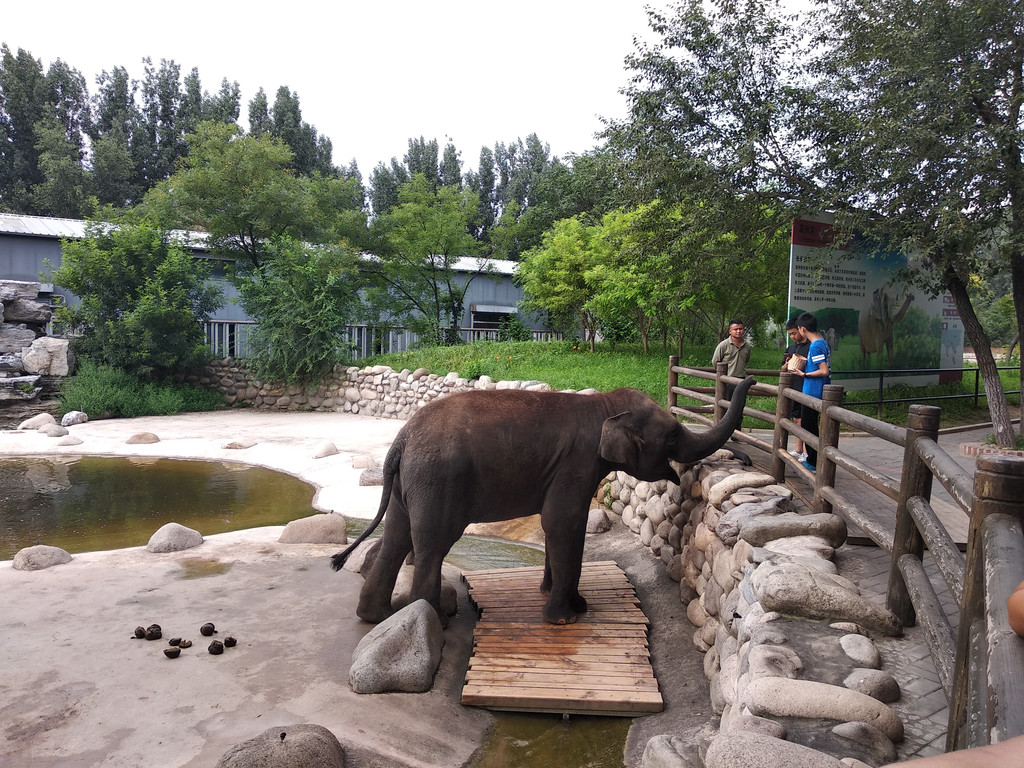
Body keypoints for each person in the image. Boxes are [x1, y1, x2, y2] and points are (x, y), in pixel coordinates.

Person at [791, 312, 830, 472]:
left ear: (802, 329)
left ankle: (813, 461)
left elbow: (824, 370)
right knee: (810, 426)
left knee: (809, 427)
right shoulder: (823, 342)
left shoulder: (815, 346)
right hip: (816, 390)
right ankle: (813, 459)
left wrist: (803, 374)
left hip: (813, 392)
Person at [781, 318, 810, 461]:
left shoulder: (811, 346)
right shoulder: (791, 348)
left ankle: (806, 451)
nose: (793, 336)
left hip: (805, 387)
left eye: (794, 333)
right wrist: (786, 364)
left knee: (806, 420)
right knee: (796, 419)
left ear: (801, 329)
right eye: (790, 334)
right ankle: (798, 449)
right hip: (793, 387)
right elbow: (782, 368)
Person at [711, 318, 751, 400]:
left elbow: (746, 360)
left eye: (740, 329)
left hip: (741, 379)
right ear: (730, 331)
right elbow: (715, 361)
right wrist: (722, 374)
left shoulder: (747, 346)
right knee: (726, 404)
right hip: (727, 379)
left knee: (739, 404)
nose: (738, 331)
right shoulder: (723, 345)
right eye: (735, 329)